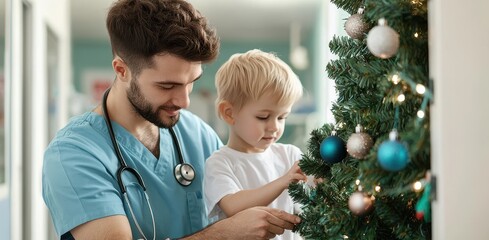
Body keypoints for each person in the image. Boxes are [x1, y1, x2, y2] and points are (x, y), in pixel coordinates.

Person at [42, 1, 300, 239]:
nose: (184, 102)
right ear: (122, 70)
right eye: (167, 86)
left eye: (191, 83)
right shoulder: (74, 154)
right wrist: (223, 234)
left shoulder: (197, 133)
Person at [204, 49, 307, 240]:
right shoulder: (220, 163)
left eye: (282, 117)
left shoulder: (290, 155)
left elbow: (316, 186)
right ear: (229, 113)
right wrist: (283, 181)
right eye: (263, 117)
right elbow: (233, 207)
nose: (274, 127)